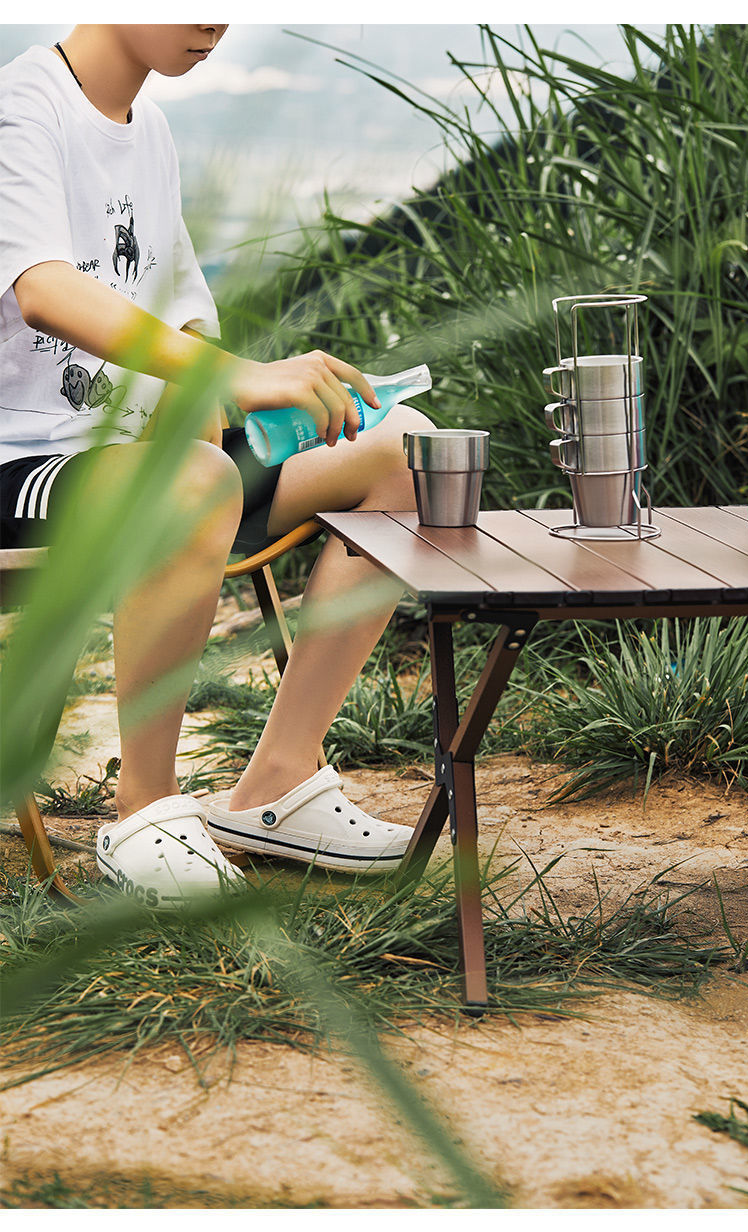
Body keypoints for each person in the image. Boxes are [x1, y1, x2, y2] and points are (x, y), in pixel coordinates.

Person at [0, 24, 433, 906]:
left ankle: (278, 783)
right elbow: (43, 287)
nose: (213, 19)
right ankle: (144, 813)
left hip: (153, 466)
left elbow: (185, 316)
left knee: (406, 453)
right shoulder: (21, 107)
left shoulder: (148, 130)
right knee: (193, 482)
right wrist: (231, 378)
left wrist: (233, 393)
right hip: (28, 463)